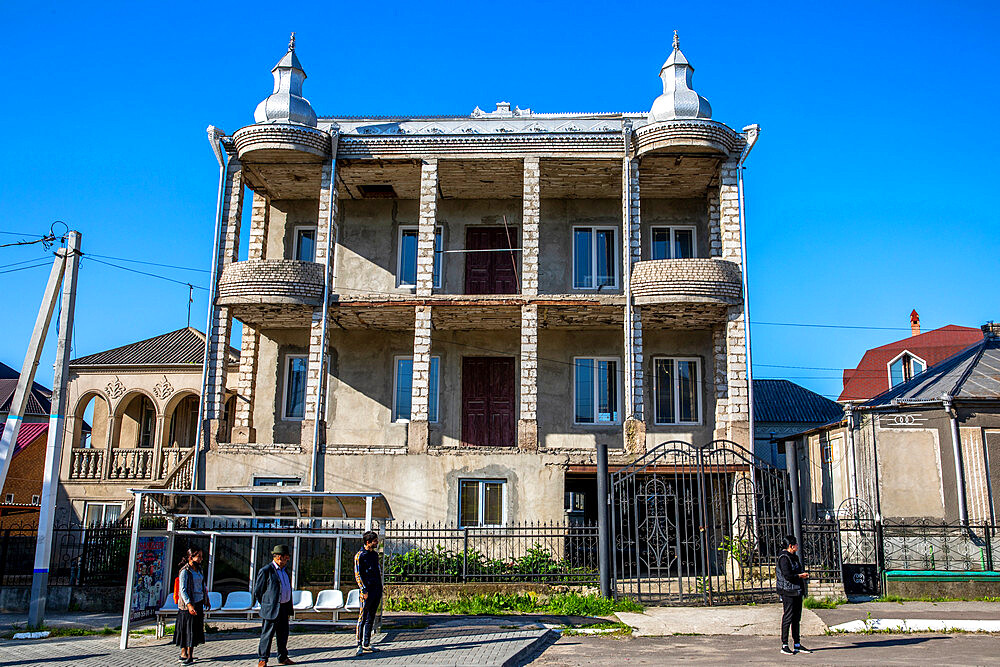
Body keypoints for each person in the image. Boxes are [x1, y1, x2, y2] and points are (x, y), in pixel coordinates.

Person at [253, 544, 296, 667]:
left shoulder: (285, 570)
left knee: (283, 634)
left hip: (283, 607)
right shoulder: (266, 570)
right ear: (279, 557)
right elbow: (258, 591)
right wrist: (267, 604)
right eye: (286, 557)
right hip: (271, 608)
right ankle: (263, 659)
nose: (287, 560)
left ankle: (283, 657)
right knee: (267, 634)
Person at [776, 535, 811, 655]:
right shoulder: (784, 558)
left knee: (796, 618)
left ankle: (797, 643)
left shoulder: (793, 557)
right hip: (788, 591)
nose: (797, 545)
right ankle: (784, 644)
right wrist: (800, 576)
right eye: (795, 544)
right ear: (791, 546)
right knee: (788, 616)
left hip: (796, 590)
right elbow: (787, 575)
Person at [175, 547, 211, 665]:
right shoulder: (185, 571)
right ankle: (187, 656)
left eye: (201, 556)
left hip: (199, 601)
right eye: (198, 556)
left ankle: (185, 653)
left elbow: (202, 585)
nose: (201, 559)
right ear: (191, 557)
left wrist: (206, 598)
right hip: (188, 606)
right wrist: (189, 605)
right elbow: (183, 590)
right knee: (188, 630)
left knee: (194, 629)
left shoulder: (199, 570)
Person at [353, 531, 383, 657]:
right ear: (368, 542)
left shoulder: (374, 555)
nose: (377, 543)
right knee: (362, 617)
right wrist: (363, 589)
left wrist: (380, 587)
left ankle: (367, 642)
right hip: (366, 590)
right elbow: (357, 574)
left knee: (371, 617)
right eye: (375, 541)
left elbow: (378, 570)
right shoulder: (360, 556)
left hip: (376, 589)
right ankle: (359, 644)